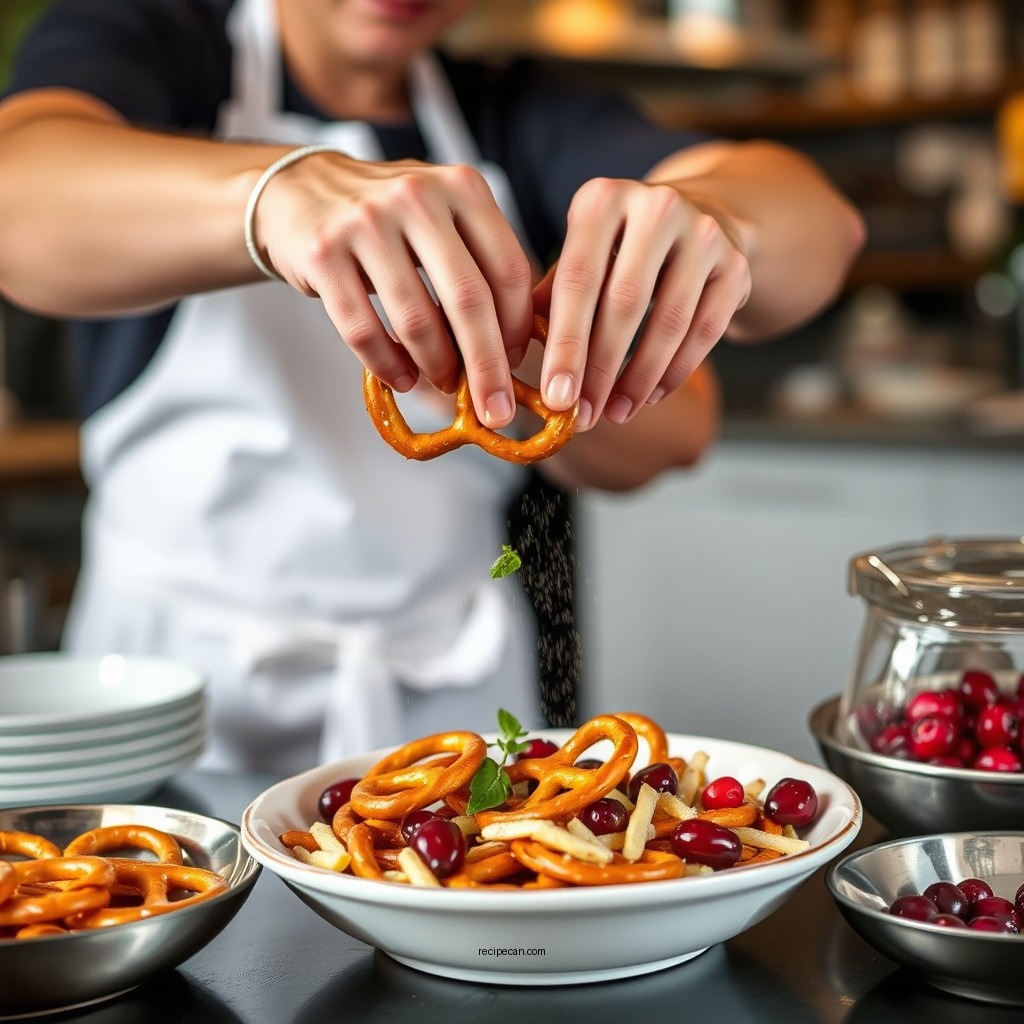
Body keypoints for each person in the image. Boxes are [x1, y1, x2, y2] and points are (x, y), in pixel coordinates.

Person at [0, 0, 864, 775]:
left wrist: (724, 221)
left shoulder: (519, 112)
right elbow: (20, 191)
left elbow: (817, 236)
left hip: (447, 706)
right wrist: (275, 196)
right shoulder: (156, 45)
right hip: (181, 706)